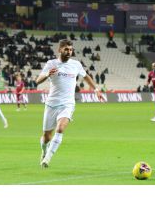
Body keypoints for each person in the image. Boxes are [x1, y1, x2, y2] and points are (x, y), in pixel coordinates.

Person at [36, 39, 105, 168]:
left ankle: (47, 159)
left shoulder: (76, 64)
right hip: (51, 104)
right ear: (60, 50)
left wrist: (96, 89)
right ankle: (44, 151)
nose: (69, 52)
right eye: (66, 49)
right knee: (46, 137)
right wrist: (47, 75)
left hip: (67, 104)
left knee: (60, 128)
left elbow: (86, 77)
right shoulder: (51, 63)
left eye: (71, 49)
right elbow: (38, 81)